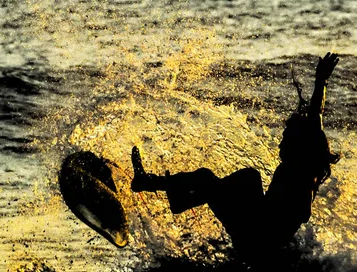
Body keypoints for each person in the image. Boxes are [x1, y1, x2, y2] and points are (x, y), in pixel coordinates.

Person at [130, 52, 341, 261]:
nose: (280, 143)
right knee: (221, 178)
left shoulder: (301, 173)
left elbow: (300, 211)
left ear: (299, 144)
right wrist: (321, 82)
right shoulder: (306, 163)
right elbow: (316, 116)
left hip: (255, 241)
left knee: (240, 178)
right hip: (255, 232)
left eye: (285, 139)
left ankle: (153, 185)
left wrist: (321, 80)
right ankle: (179, 197)